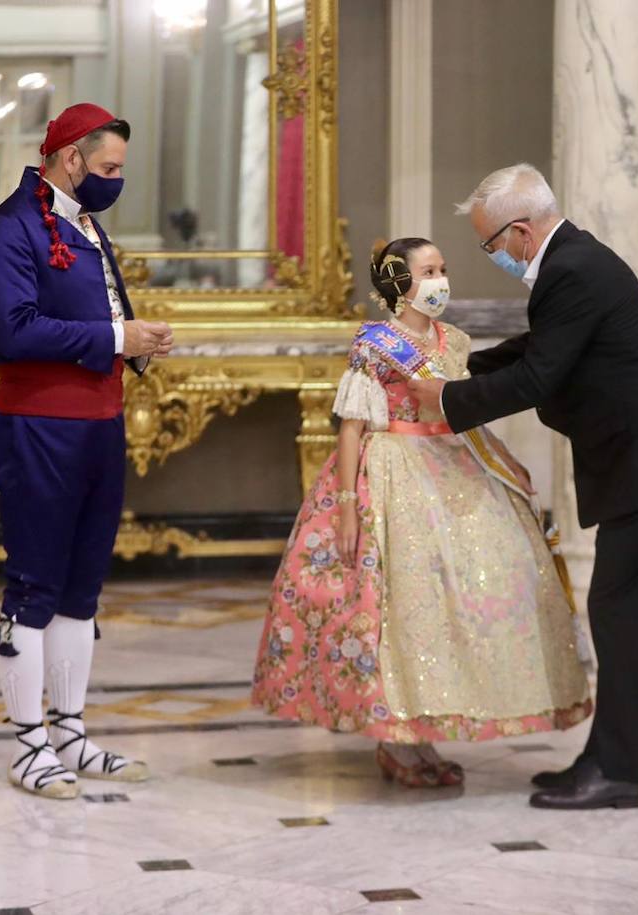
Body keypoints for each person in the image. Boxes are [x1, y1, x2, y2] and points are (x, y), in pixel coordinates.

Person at [407, 164, 638, 810]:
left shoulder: (571, 270)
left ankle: (618, 772)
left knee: (622, 615)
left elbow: (538, 379)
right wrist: (463, 363)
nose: (491, 257)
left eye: (489, 246)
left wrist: (446, 397)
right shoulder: (572, 264)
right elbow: (540, 347)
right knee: (629, 616)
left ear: (520, 232)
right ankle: (606, 758)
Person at [251, 236, 592, 788]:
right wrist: (344, 508)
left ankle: (426, 732)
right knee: (399, 608)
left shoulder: (453, 340)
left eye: (443, 267)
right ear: (400, 282)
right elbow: (352, 426)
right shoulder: (375, 343)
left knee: (451, 608)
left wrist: (507, 463)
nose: (440, 279)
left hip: (451, 463)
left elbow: (465, 413)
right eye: (428, 270)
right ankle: (395, 740)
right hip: (390, 470)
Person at [0, 103, 173, 799]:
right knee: (34, 587)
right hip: (39, 429)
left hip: (100, 423)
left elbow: (99, 316)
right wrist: (119, 339)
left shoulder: (86, 223)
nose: (116, 181)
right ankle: (29, 744)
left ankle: (71, 733)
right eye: (109, 168)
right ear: (70, 157)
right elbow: (14, 333)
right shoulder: (9, 229)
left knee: (82, 591)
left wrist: (135, 339)